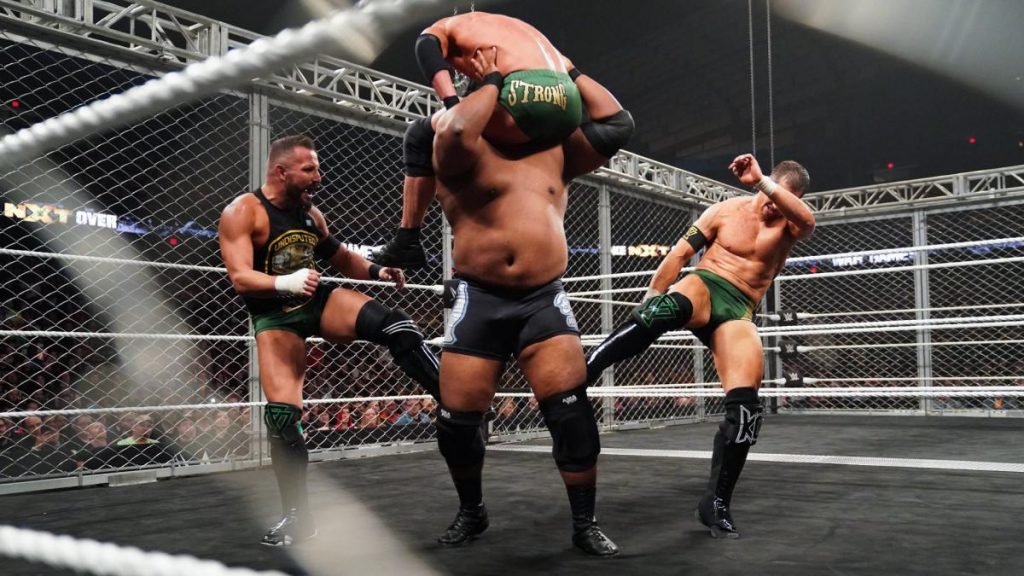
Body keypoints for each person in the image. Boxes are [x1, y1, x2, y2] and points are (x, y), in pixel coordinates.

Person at [408, 46, 633, 556]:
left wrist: (568, 70)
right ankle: (472, 511)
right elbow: (460, 128)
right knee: (458, 425)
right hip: (480, 298)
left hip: (542, 300)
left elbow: (617, 125)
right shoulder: (453, 146)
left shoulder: (555, 148)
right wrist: (486, 78)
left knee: (571, 414)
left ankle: (584, 523)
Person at [218, 135, 443, 546]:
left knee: (397, 326)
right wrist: (286, 281)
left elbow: (341, 258)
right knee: (283, 419)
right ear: (280, 171)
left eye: (318, 169)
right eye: (309, 170)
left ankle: (455, 406)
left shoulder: (311, 215)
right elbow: (240, 277)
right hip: (275, 316)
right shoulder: (243, 211)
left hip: (316, 300)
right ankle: (298, 518)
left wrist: (378, 272)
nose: (318, 178)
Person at [586, 153, 815, 538]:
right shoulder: (724, 211)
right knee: (661, 310)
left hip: (739, 310)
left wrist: (763, 182)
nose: (772, 205)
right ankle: (585, 369)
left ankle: (716, 503)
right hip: (707, 285)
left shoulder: (790, 226)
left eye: (781, 197)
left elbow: (808, 220)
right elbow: (679, 254)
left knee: (745, 415)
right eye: (770, 195)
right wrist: (651, 296)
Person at [373, 11, 628, 270]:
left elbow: (425, 46)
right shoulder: (518, 28)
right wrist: (571, 71)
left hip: (521, 91)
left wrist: (452, 104)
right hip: (567, 97)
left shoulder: (445, 28)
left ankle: (407, 238)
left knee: (419, 133)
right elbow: (620, 125)